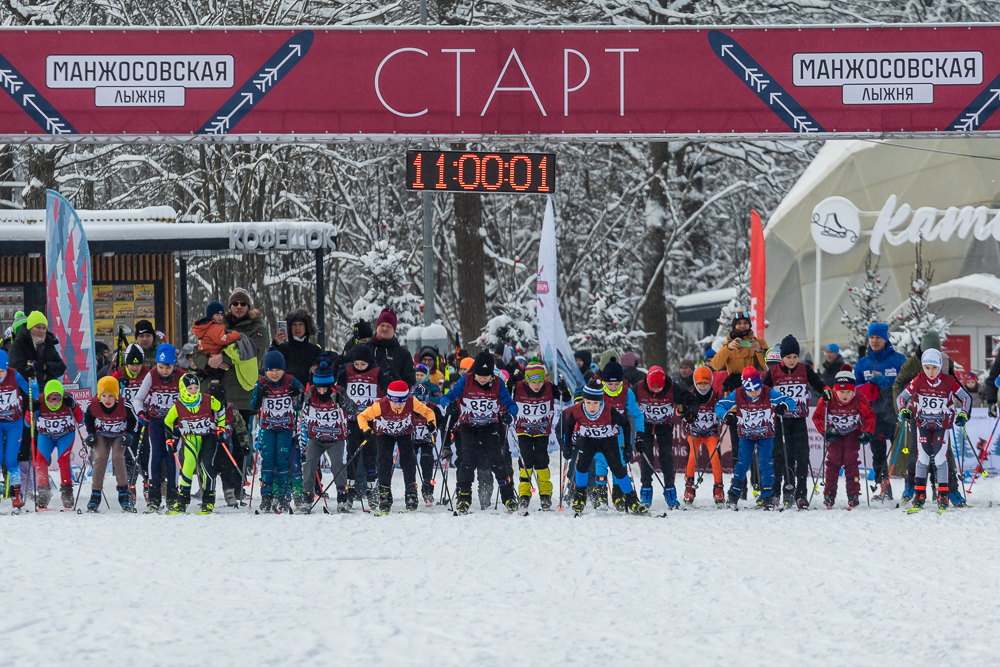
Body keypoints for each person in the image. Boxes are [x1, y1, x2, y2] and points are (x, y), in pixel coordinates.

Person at [440, 351, 519, 514]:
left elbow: (512, 405)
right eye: (479, 375)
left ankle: (508, 497)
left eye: (486, 376)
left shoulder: (498, 383)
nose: (483, 379)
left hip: (490, 427)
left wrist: (509, 415)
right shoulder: (465, 381)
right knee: (467, 461)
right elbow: (446, 398)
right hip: (468, 427)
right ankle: (463, 498)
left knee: (498, 461)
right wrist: (449, 406)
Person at [896, 349, 971, 511]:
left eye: (934, 368)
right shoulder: (918, 379)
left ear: (940, 367)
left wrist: (964, 414)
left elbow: (966, 397)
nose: (930, 372)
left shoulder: (949, 381)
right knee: (921, 458)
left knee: (940, 459)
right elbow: (901, 397)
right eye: (927, 367)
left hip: (941, 425)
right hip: (922, 424)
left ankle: (943, 494)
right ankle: (919, 494)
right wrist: (903, 410)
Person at [763, 334, 831, 509]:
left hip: (799, 419)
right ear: (782, 358)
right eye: (788, 357)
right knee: (780, 457)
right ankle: (777, 492)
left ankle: (800, 493)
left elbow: (817, 382)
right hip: (780, 420)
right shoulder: (773, 372)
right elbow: (763, 393)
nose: (792, 360)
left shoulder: (804, 369)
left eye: (795, 357)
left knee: (802, 456)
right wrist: (774, 405)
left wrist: (825, 390)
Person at [561, 380, 647, 515]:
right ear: (583, 400)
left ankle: (632, 500)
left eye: (596, 403)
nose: (592, 407)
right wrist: (566, 445)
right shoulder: (577, 410)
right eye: (588, 402)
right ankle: (580, 497)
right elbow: (568, 426)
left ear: (601, 401)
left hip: (608, 441)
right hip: (588, 440)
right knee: (582, 466)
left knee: (618, 469)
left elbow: (625, 424)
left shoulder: (608, 410)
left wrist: (628, 447)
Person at [715, 368, 796, 509]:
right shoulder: (738, 393)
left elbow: (790, 401)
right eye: (750, 390)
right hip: (746, 436)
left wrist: (784, 405)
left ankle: (767, 496)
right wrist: (726, 415)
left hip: (766, 435)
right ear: (744, 387)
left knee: (765, 463)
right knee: (742, 464)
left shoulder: (768, 392)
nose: (754, 393)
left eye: (757, 389)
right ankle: (733, 494)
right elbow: (719, 405)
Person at [7, 311, 68, 500]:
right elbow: (15, 366)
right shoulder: (20, 342)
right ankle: (23, 484)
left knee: (43, 436)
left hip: (45, 395)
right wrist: (29, 372)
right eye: (37, 327)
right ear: (29, 327)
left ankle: (41, 481)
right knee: (26, 438)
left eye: (43, 327)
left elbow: (60, 367)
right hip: (24, 395)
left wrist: (42, 366)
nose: (41, 331)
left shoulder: (48, 341)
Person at [709, 310, 768, 497]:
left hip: (755, 394)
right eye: (739, 323)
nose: (742, 327)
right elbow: (716, 365)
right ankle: (739, 486)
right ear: (734, 326)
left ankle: (757, 483)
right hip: (735, 395)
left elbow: (767, 366)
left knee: (758, 441)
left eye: (745, 323)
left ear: (749, 325)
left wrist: (758, 350)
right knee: (737, 443)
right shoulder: (728, 344)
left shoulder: (759, 342)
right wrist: (728, 348)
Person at [357, 380, 437, 514]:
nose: (399, 405)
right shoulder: (380, 405)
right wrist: (366, 430)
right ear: (389, 398)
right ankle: (385, 496)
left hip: (405, 432)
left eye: (402, 401)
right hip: (384, 434)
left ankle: (411, 494)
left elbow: (428, 412)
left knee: (408, 461)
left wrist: (431, 423)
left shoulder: (412, 401)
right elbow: (362, 416)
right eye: (395, 401)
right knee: (384, 462)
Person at [190, 288, 268, 424]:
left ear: (249, 307)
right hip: (214, 393)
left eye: (243, 304)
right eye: (235, 303)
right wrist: (209, 361)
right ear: (230, 307)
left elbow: (253, 354)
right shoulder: (214, 324)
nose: (239, 306)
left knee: (241, 441)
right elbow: (197, 352)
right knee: (216, 440)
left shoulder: (258, 329)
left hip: (241, 394)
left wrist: (222, 358)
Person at [853, 322, 906, 502]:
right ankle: (884, 487)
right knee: (878, 454)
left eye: (878, 337)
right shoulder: (862, 363)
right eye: (872, 337)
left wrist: (888, 385)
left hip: (894, 414)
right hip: (873, 416)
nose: (874, 341)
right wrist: (868, 387)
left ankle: (910, 488)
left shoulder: (898, 360)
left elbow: (907, 384)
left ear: (885, 339)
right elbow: (855, 388)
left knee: (903, 452)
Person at [511, 358, 571, 510]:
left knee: (542, 460)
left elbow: (568, 398)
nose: (537, 385)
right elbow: (505, 395)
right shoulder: (518, 387)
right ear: (526, 380)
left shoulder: (550, 388)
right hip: (523, 430)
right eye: (533, 382)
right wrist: (509, 383)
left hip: (542, 431)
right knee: (525, 460)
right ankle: (524, 494)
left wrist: (564, 388)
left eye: (539, 381)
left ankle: (545, 494)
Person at [634, 364, 697, 510]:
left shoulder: (673, 388)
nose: (656, 390)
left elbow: (692, 399)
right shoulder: (638, 388)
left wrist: (691, 411)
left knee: (666, 457)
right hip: (645, 427)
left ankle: (670, 490)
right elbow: (626, 401)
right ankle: (646, 490)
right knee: (646, 457)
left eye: (659, 388)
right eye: (653, 388)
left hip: (665, 426)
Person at [250, 350, 304, 514]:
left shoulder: (290, 380)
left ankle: (284, 496)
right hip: (267, 428)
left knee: (282, 460)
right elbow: (253, 405)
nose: (274, 374)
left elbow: (304, 399)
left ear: (283, 369)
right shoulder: (260, 383)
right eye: (270, 370)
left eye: (277, 370)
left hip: (285, 428)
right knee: (267, 460)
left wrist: (298, 394)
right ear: (265, 370)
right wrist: (259, 395)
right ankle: (266, 496)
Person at [813, 369, 875, 509]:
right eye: (841, 392)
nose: (845, 395)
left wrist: (867, 433)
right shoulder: (828, 399)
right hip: (834, 433)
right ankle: (829, 494)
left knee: (851, 461)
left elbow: (870, 416)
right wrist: (825, 432)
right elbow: (817, 416)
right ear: (835, 390)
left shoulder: (859, 397)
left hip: (852, 432)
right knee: (833, 461)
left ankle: (853, 494)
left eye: (848, 392)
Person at [164, 373, 226, 514]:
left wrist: (221, 428)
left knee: (206, 466)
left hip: (208, 436)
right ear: (183, 389)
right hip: (191, 437)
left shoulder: (207, 399)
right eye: (190, 388)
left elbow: (221, 408)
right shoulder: (178, 406)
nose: (193, 391)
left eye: (196, 387)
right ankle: (182, 501)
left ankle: (208, 501)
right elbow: (167, 421)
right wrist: (170, 439)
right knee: (188, 465)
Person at [132, 344, 183, 512]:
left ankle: (172, 495)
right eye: (161, 366)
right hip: (155, 421)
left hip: (174, 424)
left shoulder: (182, 377)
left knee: (172, 456)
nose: (164, 370)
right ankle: (153, 496)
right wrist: (141, 413)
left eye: (167, 366)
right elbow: (138, 399)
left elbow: (191, 399)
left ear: (174, 364)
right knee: (155, 455)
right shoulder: (151, 376)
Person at [299, 357, 352, 512]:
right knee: (309, 464)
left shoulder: (339, 391)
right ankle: (307, 497)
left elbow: (353, 410)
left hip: (336, 438)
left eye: (325, 388)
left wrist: (342, 401)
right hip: (316, 438)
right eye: (319, 387)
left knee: (337, 466)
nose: (322, 391)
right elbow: (296, 404)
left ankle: (342, 498)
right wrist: (301, 399)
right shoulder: (311, 392)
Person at [594, 357, 647, 510]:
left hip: (619, 436)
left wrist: (640, 435)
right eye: (609, 384)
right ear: (603, 381)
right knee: (601, 463)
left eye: (616, 384)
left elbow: (637, 415)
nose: (612, 387)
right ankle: (601, 495)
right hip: (599, 435)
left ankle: (619, 495)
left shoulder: (627, 393)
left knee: (620, 464)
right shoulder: (597, 392)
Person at [337, 343, 382, 508]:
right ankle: (350, 491)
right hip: (353, 421)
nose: (360, 367)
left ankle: (372, 490)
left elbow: (388, 388)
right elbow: (338, 388)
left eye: (363, 364)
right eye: (356, 364)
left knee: (370, 457)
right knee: (352, 456)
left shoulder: (377, 372)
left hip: (371, 421)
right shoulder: (346, 373)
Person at [83, 375, 135, 512]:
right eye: (104, 395)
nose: (107, 399)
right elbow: (88, 418)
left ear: (117, 395)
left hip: (119, 435)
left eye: (111, 396)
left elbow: (133, 420)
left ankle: (123, 493)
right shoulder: (93, 404)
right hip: (101, 435)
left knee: (118, 457)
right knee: (100, 458)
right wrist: (91, 434)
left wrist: (129, 434)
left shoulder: (125, 404)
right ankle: (95, 493)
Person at [30, 380, 82, 510]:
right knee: (40, 460)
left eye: (57, 401)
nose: (54, 404)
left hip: (65, 435)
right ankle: (43, 494)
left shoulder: (67, 399)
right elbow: (27, 423)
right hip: (46, 436)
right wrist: (30, 410)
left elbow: (80, 419)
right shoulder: (40, 401)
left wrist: (74, 406)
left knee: (63, 460)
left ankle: (67, 494)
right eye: (51, 401)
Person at [110, 343, 150, 504]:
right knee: (128, 455)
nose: (135, 368)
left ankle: (148, 485)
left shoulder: (148, 373)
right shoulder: (118, 374)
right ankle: (129, 486)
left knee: (146, 453)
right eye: (131, 364)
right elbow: (106, 393)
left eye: (138, 364)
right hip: (126, 422)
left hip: (144, 419)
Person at [684, 366, 724, 507]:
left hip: (710, 433)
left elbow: (722, 413)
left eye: (705, 383)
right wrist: (682, 412)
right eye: (700, 383)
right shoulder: (690, 396)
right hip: (694, 433)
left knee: (714, 458)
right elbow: (680, 412)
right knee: (692, 457)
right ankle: (689, 487)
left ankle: (718, 488)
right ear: (695, 383)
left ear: (711, 383)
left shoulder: (715, 396)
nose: (702, 386)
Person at [0, 350, 35, 512]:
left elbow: (32, 391)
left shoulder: (14, 375)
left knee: (11, 460)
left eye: (1, 371)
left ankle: (16, 494)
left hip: (14, 423)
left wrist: (32, 378)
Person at [271, 308, 323, 388]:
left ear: (307, 327)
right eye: (294, 325)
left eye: (300, 324)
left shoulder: (315, 350)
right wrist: (276, 344)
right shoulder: (282, 348)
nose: (297, 328)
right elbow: (271, 364)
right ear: (289, 328)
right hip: (285, 392)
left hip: (309, 394)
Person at [191, 301, 240, 383]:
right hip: (215, 353)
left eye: (221, 315)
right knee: (218, 373)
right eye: (217, 314)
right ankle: (214, 385)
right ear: (211, 315)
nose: (220, 317)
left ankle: (199, 378)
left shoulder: (205, 327)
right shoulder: (215, 327)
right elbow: (221, 340)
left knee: (203, 373)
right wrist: (235, 335)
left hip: (205, 353)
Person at [367, 308, 416, 388]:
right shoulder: (364, 348)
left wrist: (395, 380)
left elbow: (410, 383)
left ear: (394, 330)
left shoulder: (403, 355)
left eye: (389, 326)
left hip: (392, 399)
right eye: (382, 325)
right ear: (377, 327)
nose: (385, 329)